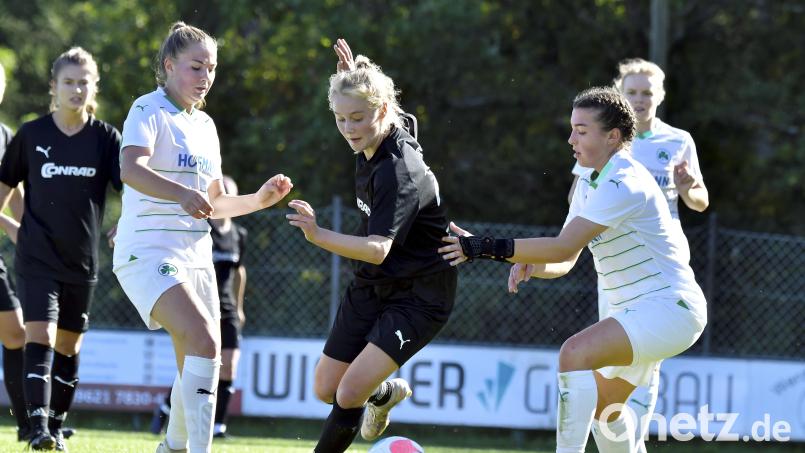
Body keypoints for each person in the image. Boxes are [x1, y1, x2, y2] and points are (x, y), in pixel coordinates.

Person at [439, 86, 707, 453]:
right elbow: (565, 258)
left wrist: (481, 247)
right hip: (637, 311)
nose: (570, 139)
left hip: (669, 309)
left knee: (573, 354)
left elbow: (563, 245)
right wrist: (529, 262)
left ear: (613, 137)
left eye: (581, 130)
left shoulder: (624, 181)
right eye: (572, 128)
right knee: (605, 413)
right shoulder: (589, 178)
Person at [113, 22, 291, 453]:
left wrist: (258, 200)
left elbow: (215, 203)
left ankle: (171, 448)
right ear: (169, 66)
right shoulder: (146, 109)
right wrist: (181, 193)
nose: (206, 77)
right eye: (196, 67)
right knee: (207, 342)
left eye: (211, 68)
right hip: (147, 252)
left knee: (198, 361)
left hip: (197, 257)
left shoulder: (206, 126)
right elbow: (130, 170)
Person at [285, 39, 457, 453]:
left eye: (357, 118)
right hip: (374, 283)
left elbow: (379, 248)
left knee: (347, 395)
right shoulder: (384, 129)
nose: (348, 129)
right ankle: (382, 396)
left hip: (419, 294)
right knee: (326, 388)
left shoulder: (398, 172)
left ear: (380, 112)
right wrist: (352, 75)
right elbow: (392, 108)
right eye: (341, 119)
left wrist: (318, 233)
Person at [566, 58, 709, 452]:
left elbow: (699, 201)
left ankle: (633, 441)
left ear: (660, 96)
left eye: (648, 92)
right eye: (632, 92)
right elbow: (575, 222)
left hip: (658, 272)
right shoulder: (598, 145)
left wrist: (687, 187)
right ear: (620, 95)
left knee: (633, 379)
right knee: (608, 390)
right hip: (615, 272)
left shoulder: (677, 141)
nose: (641, 99)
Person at [0, 47, 123, 451]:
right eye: (68, 82)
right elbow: (3, 191)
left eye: (83, 82)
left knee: (69, 345)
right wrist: (14, 229)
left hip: (82, 261)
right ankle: (36, 428)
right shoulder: (31, 135)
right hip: (35, 258)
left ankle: (56, 424)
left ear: (94, 88)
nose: (76, 89)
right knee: (39, 335)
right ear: (53, 87)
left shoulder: (106, 139)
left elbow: (135, 194)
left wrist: (127, 224)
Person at [149, 175, 249, 440]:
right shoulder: (199, 227)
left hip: (226, 308)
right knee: (198, 365)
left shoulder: (239, 235)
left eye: (229, 192)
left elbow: (240, 272)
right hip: (201, 302)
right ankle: (166, 408)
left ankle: (219, 426)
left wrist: (239, 307)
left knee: (228, 366)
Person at [0, 61, 30, 443]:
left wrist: (32, 234)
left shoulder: (6, 135)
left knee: (16, 333)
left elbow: (14, 191)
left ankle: (29, 426)